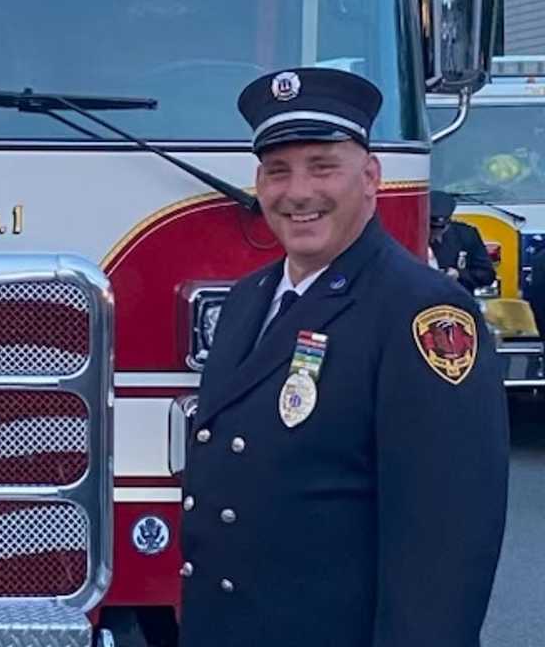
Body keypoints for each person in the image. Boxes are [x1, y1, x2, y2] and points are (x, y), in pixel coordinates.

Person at [179, 67, 508, 647]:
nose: (298, 192)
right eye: (277, 172)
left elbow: (445, 543)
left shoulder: (423, 313)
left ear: (371, 178)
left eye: (323, 166)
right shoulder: (246, 301)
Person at [429, 190, 496, 294]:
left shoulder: (466, 235)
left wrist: (459, 274)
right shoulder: (410, 237)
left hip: (458, 297)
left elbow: (487, 275)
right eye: (431, 228)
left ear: (449, 223)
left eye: (441, 228)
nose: (435, 233)